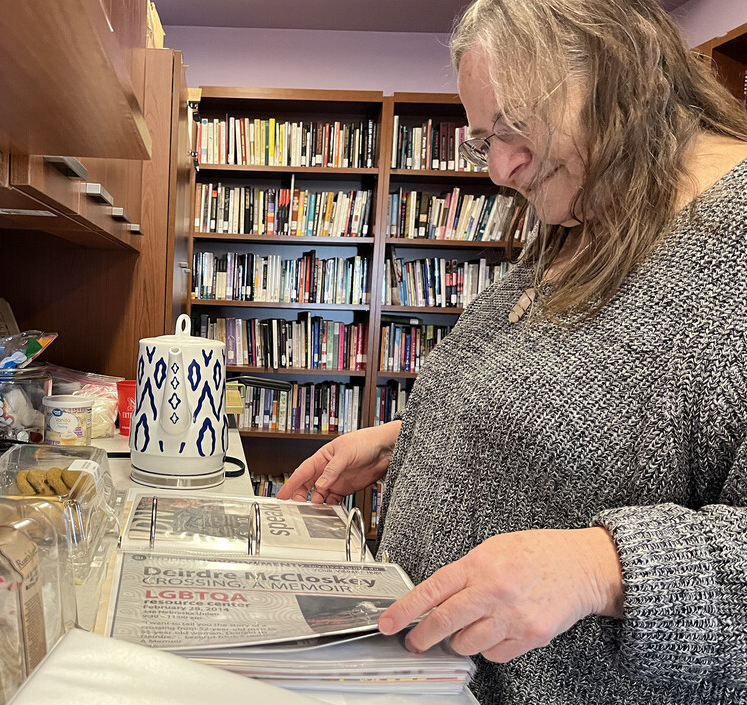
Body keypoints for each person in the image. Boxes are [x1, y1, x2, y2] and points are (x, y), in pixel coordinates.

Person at [277, 0, 747, 702]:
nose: (499, 168)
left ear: (624, 73)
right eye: (482, 140)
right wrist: (415, 438)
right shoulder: (593, 203)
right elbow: (584, 423)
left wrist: (601, 566)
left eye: (516, 127)